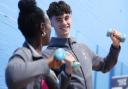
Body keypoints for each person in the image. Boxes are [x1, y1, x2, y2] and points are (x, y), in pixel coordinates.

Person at [42, 1, 121, 89]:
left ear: (71, 19)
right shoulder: (47, 55)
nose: (64, 23)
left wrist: (115, 46)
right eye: (59, 19)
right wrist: (67, 71)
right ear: (51, 23)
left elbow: (105, 65)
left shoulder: (84, 48)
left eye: (66, 18)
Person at [5, 0, 75, 89]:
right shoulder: (25, 53)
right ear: (43, 28)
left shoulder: (41, 59)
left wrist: (68, 71)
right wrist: (49, 62)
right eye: (49, 23)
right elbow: (12, 76)